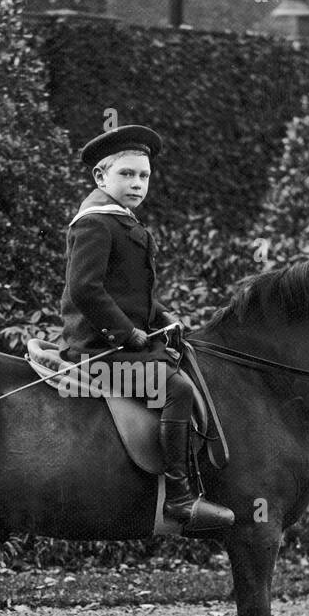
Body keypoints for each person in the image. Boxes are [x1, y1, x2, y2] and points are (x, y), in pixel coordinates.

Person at [60, 125, 234, 533]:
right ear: (101, 178)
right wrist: (129, 334)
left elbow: (134, 296)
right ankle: (179, 498)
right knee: (177, 389)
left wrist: (163, 319)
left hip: (120, 345)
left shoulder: (124, 223)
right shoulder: (95, 223)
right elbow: (85, 290)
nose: (137, 184)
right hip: (97, 351)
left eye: (144, 176)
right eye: (127, 175)